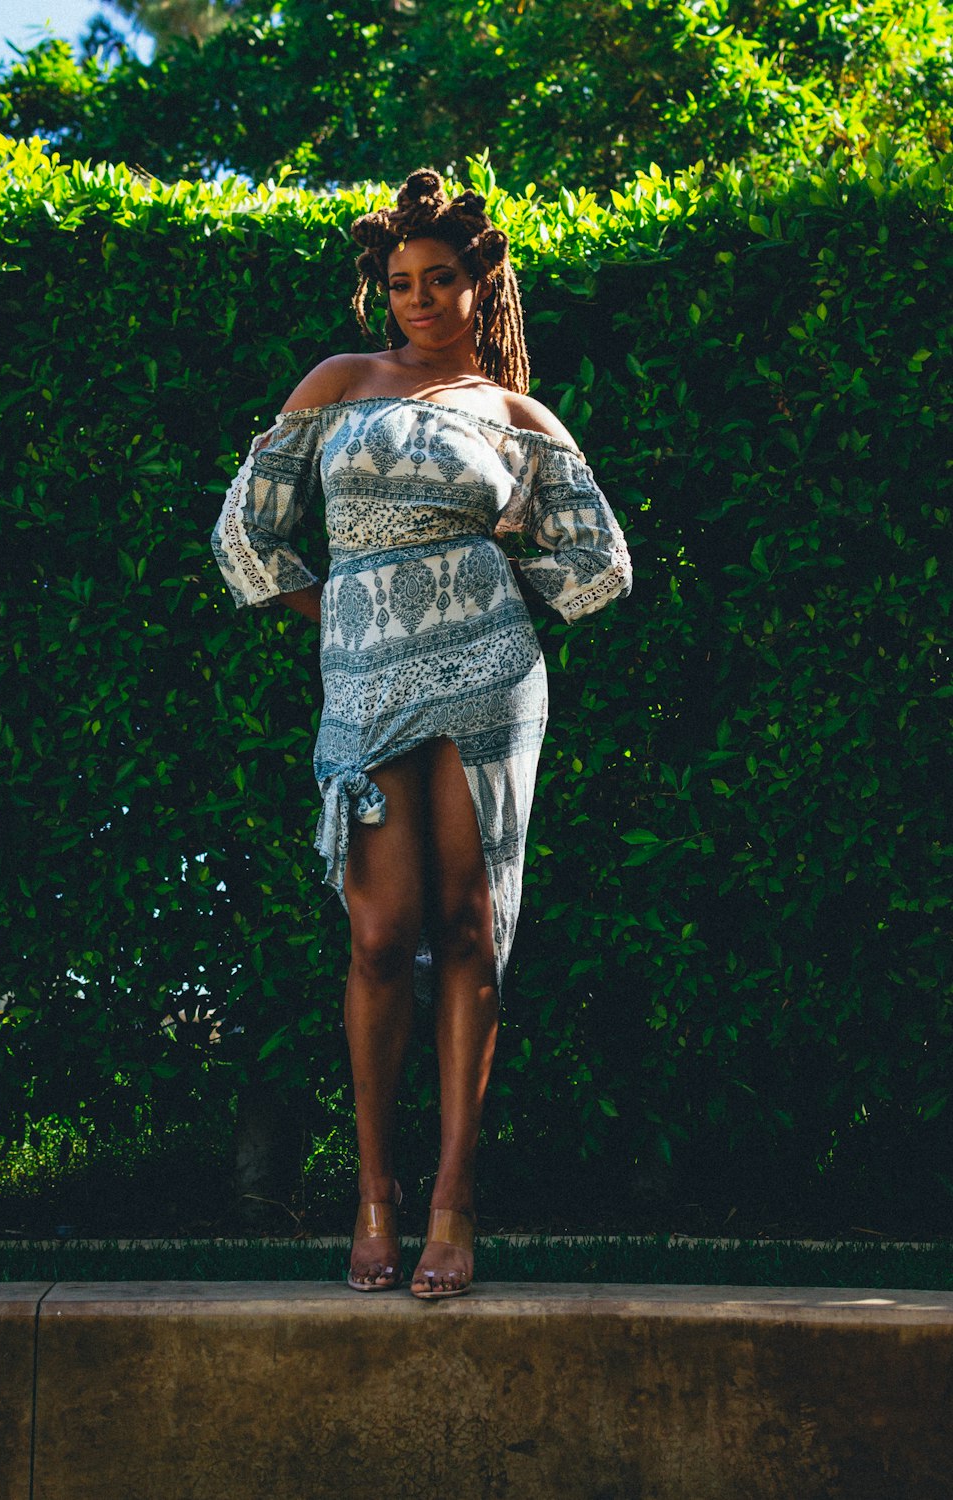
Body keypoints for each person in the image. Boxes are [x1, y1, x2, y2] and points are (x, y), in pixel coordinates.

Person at [211, 168, 632, 1298]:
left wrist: (498, 563)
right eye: (400, 283)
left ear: (477, 286)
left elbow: (601, 572)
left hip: (490, 679)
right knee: (379, 934)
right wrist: (347, 609)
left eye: (440, 280)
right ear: (380, 291)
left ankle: (454, 1201)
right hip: (364, 685)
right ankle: (374, 1195)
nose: (419, 300)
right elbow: (244, 542)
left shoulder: (516, 417)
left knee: (469, 929)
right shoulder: (335, 385)